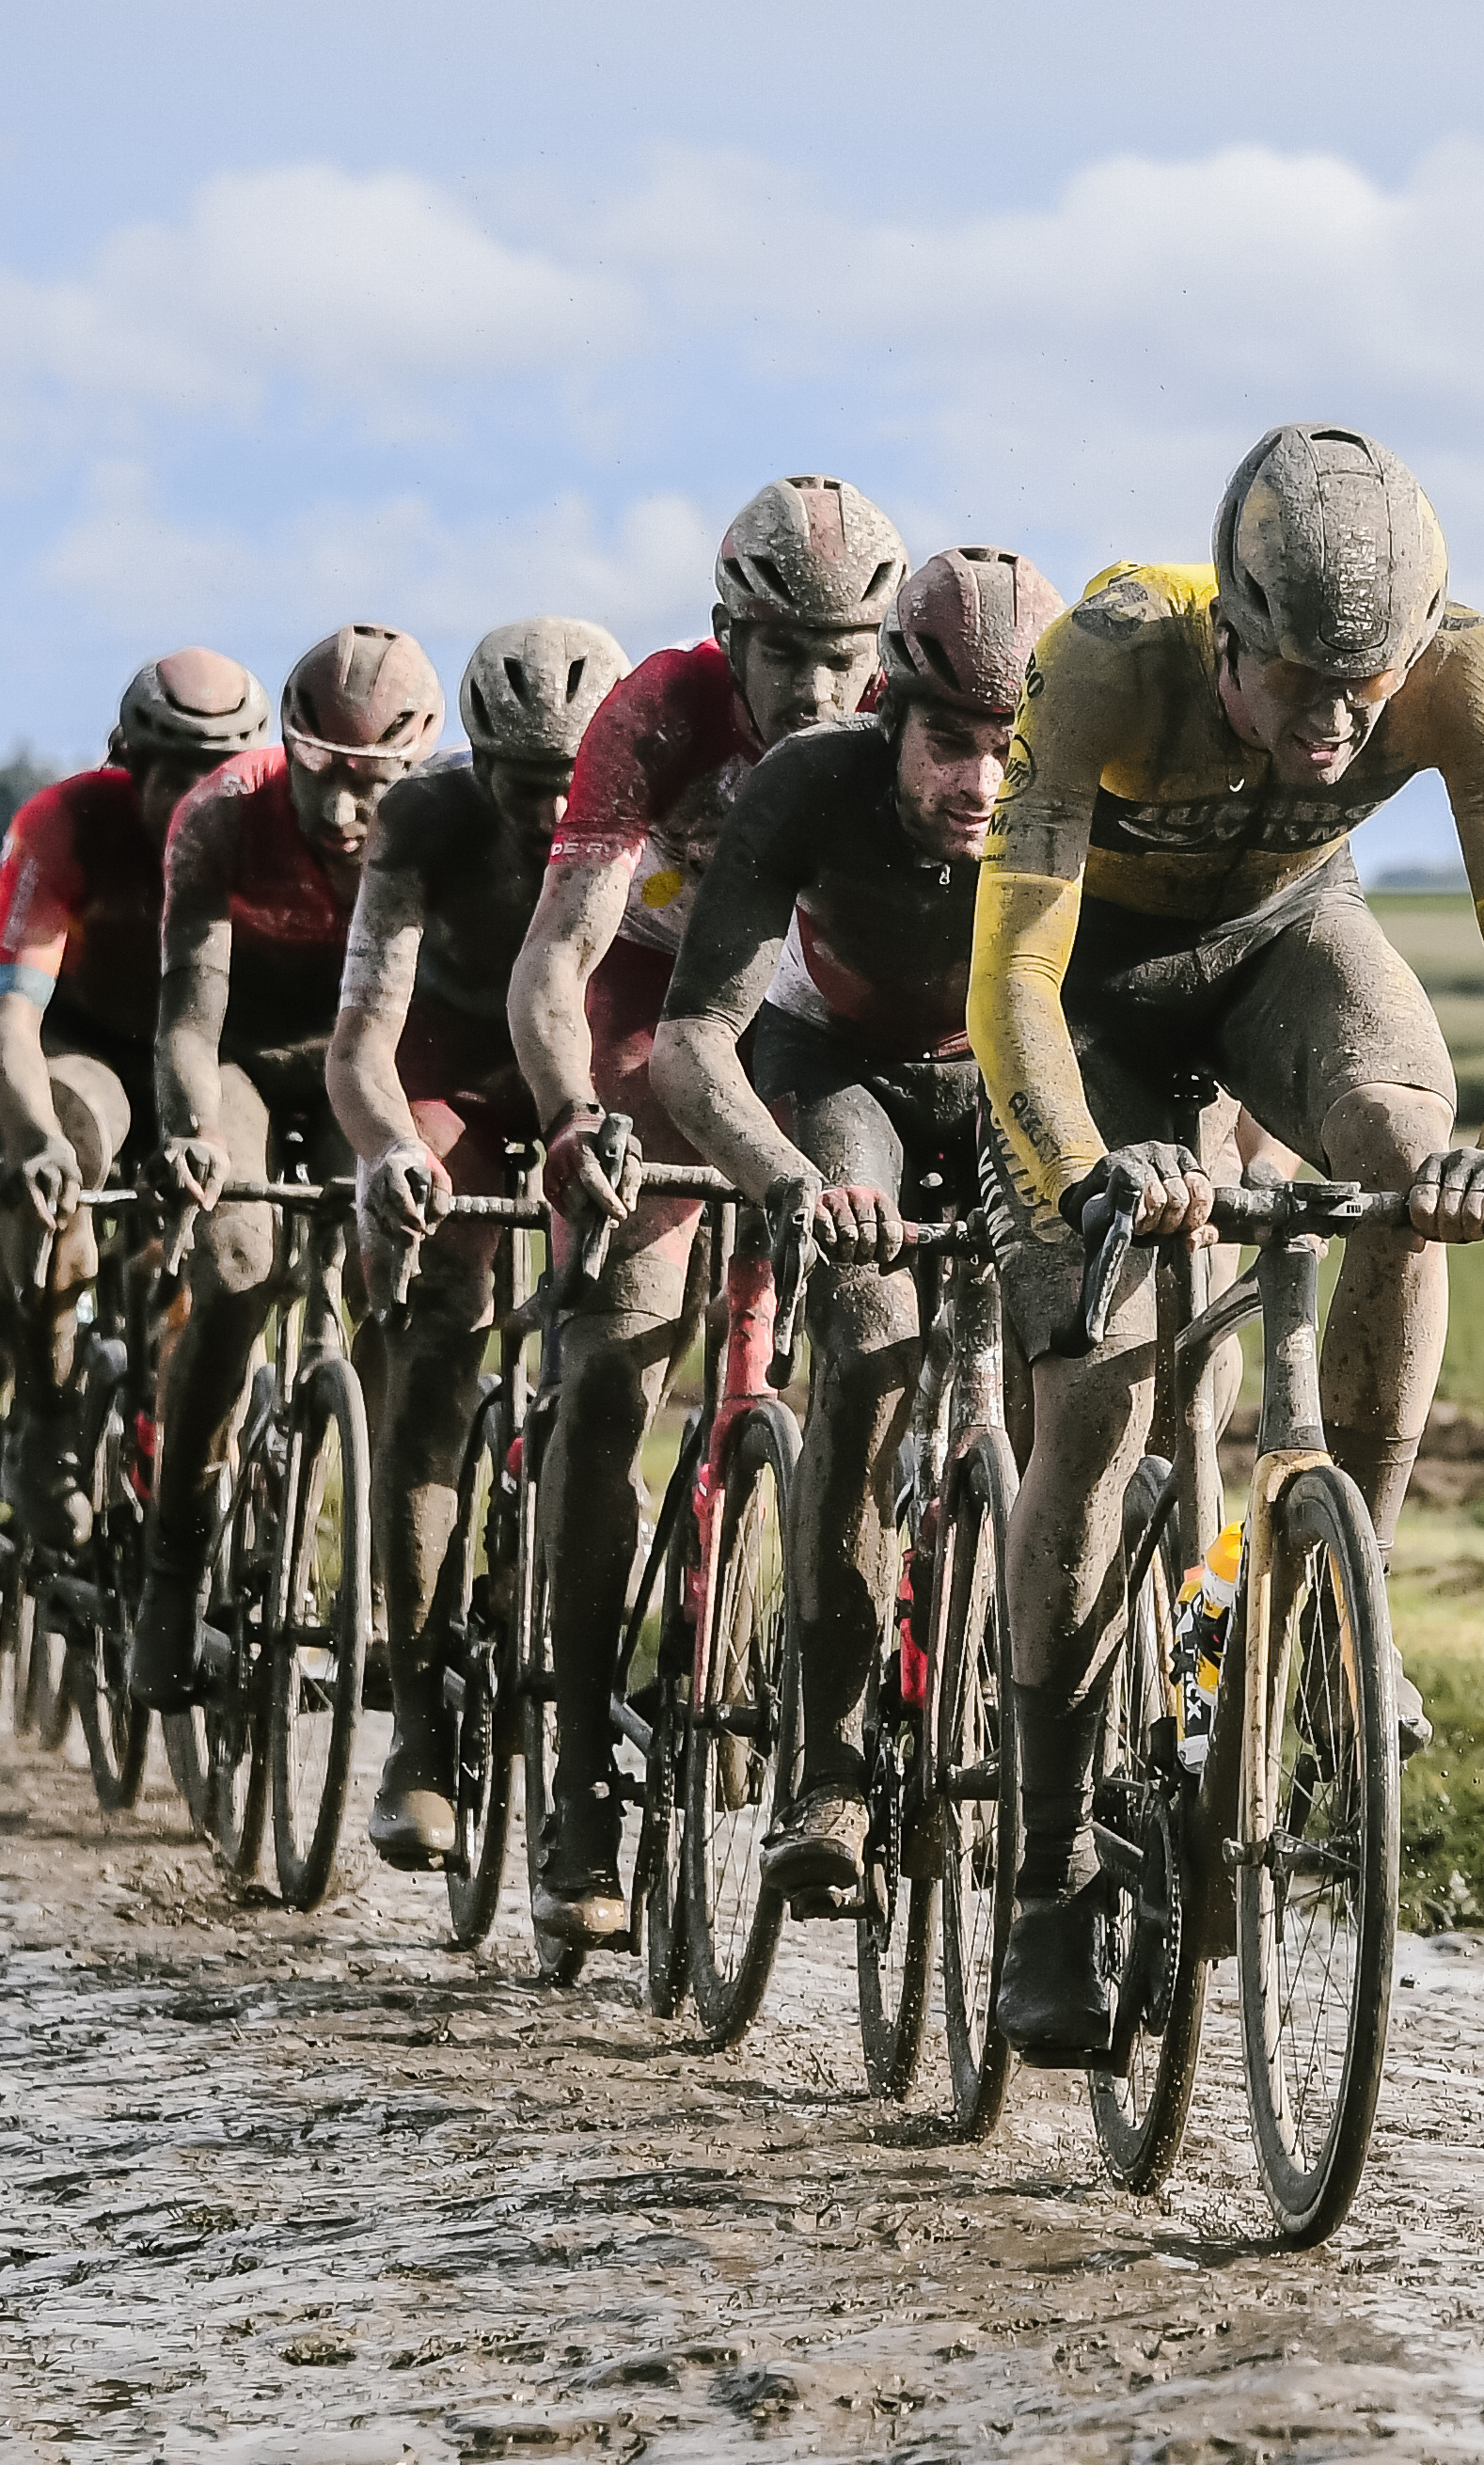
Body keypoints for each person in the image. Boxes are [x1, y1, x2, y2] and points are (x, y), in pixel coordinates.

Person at [968, 424, 1484, 2062]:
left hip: (1284, 943)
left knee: (1405, 1147)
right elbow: (1012, 983)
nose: (1334, 720)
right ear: (1225, 633)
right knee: (1092, 1401)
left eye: (1363, 688)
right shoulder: (1102, 657)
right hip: (1085, 989)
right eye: (1299, 678)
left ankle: (1332, 1605)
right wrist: (1088, 1166)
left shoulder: (1462, 670)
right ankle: (1039, 1878)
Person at [507, 474, 904, 1949]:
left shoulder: (902, 714)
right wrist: (571, 1118)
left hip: (808, 1020)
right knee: (614, 1358)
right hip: (654, 1003)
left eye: (846, 652)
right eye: (786, 651)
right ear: (725, 629)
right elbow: (562, 953)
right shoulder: (658, 714)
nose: (819, 686)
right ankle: (579, 1791)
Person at [647, 546, 1061, 1901]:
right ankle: (830, 1769)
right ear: (889, 708)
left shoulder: (1074, 802)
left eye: (1012, 748)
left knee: (1082, 1336)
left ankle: (1066, 1752)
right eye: (949, 742)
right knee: (874, 1340)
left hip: (1006, 1076)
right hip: (839, 1080)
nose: (981, 786)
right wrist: (781, 1180)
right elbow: (693, 1042)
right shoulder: (807, 783)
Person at [330, 613, 631, 1867]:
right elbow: (364, 1037)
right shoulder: (423, 824)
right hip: (455, 1079)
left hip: (596, 1087)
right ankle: (415, 1727)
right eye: (523, 780)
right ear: (474, 758)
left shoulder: (656, 806)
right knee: (441, 1343)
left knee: (611, 1351)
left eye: (574, 776)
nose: (552, 803)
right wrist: (391, 1147)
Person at [0, 648, 272, 1690]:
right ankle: (46, 1409)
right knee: (73, 1136)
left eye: (216, 767)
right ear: (126, 760)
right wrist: (35, 1136)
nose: (191, 794)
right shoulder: (66, 822)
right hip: (83, 1041)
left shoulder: (265, 827)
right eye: (170, 768)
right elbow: (4, 1017)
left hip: (213, 1053)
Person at [134, 625, 446, 1709]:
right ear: (287, 747)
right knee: (236, 1262)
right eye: (323, 778)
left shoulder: (439, 821)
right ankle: (172, 1573)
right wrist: (190, 1134)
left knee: (408, 1288)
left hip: (373, 1061)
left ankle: (365, 1544)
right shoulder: (219, 811)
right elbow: (186, 1013)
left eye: (374, 787)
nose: (348, 812)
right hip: (240, 1057)